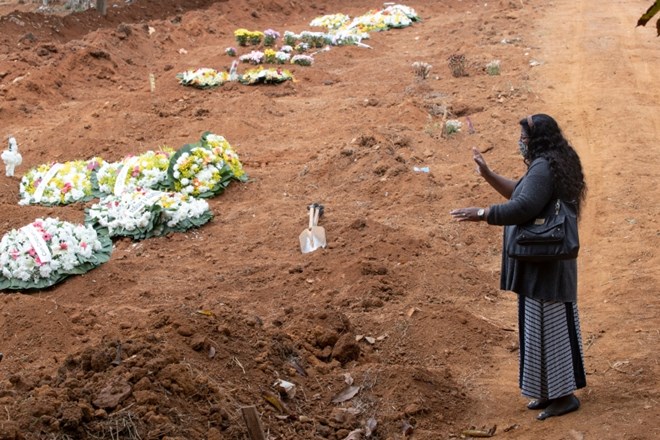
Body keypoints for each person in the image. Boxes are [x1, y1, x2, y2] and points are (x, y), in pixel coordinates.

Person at [450, 114, 587, 420]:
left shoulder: (543, 166)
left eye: (524, 139)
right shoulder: (553, 161)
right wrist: (488, 174)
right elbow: (522, 193)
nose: (521, 143)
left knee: (548, 328)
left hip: (544, 263)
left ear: (536, 141)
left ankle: (563, 396)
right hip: (545, 258)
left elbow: (523, 206)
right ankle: (550, 392)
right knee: (539, 326)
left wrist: (483, 213)